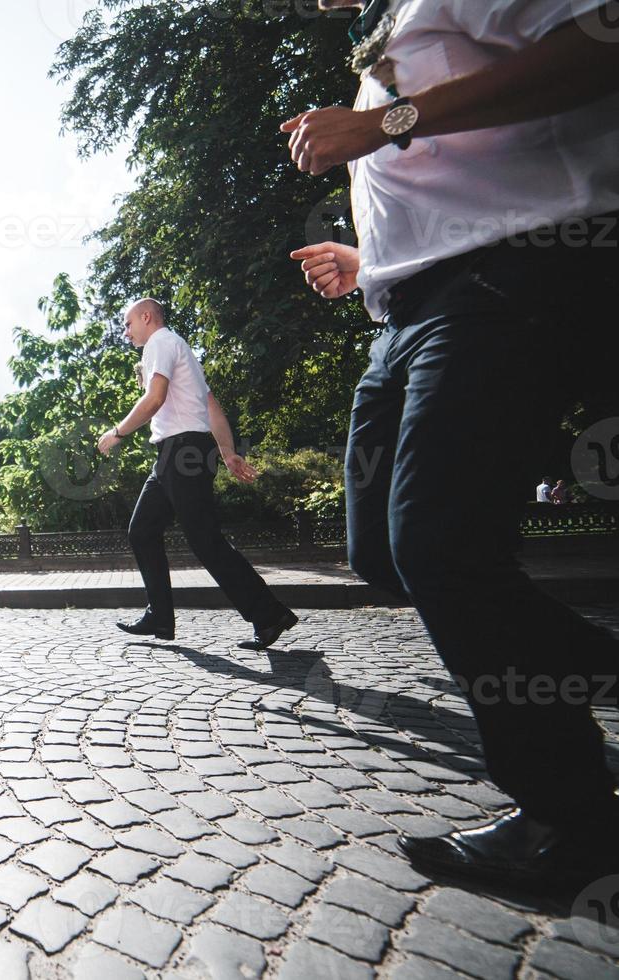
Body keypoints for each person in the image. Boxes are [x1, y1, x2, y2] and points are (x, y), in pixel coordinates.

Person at [286, 0, 619, 885]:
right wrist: (369, 264)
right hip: (407, 308)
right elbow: (447, 173)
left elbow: (598, 41)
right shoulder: (378, 30)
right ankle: (591, 673)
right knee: (382, 552)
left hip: (509, 271)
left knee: (442, 544)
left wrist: (381, 121)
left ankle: (570, 821)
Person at [99, 298, 299, 650]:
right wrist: (227, 452)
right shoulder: (181, 349)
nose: (126, 331)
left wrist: (117, 432)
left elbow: (154, 398)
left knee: (206, 540)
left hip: (181, 452)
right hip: (178, 453)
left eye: (128, 323)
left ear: (147, 317)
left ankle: (269, 614)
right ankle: (160, 616)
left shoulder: (160, 343)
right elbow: (212, 408)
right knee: (143, 530)